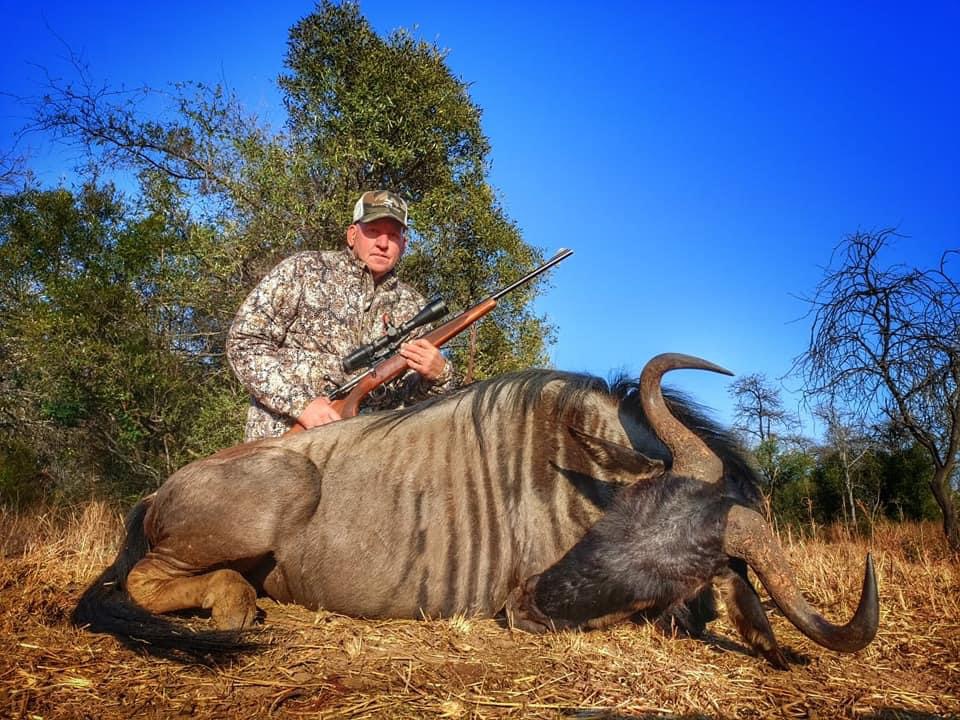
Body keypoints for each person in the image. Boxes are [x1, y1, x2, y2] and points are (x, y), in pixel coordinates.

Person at [226, 190, 452, 440]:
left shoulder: (414, 306)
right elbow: (244, 342)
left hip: (365, 452)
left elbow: (410, 402)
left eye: (393, 235)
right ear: (352, 234)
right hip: (283, 446)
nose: (383, 243)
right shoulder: (304, 270)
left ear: (404, 244)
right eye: (373, 230)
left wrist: (438, 376)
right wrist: (302, 405)